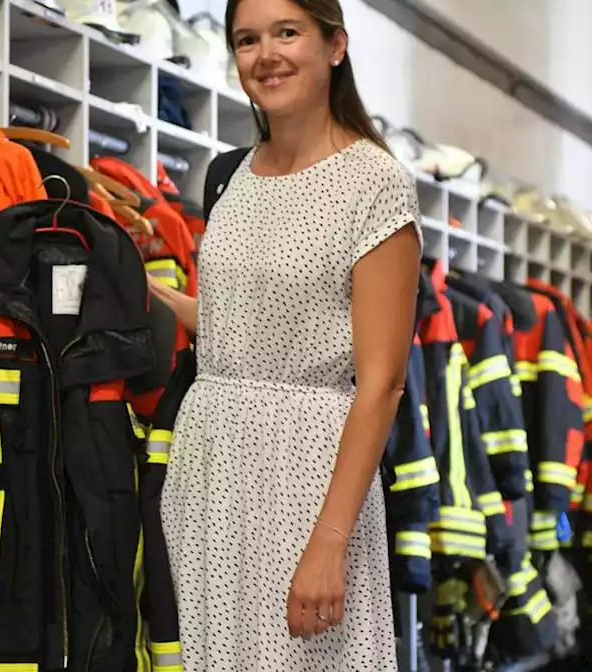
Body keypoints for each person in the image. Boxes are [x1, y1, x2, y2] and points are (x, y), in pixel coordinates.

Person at [146, 0, 422, 668]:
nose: (265, 55)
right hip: (209, 463)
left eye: (286, 33)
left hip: (307, 473)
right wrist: (145, 290)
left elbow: (382, 382)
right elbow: (236, 324)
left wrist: (330, 539)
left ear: (335, 46)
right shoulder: (227, 173)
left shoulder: (375, 182)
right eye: (247, 40)